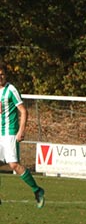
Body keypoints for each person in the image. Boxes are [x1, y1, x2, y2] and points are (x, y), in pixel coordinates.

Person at [0, 63, 45, 208]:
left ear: (5, 75)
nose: (0, 77)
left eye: (2, 74)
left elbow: (24, 111)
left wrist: (21, 130)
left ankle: (37, 190)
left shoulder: (11, 90)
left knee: (14, 165)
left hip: (10, 133)